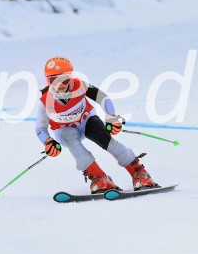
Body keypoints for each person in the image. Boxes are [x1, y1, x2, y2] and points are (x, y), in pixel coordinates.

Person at [35, 56, 159, 193]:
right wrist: (47, 141)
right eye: (53, 80)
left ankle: (139, 173)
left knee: (103, 135)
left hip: (86, 120)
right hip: (64, 129)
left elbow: (103, 97)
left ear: (71, 77)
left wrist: (111, 117)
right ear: (47, 80)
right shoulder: (45, 100)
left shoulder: (80, 85)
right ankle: (99, 178)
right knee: (70, 139)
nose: (60, 85)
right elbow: (40, 127)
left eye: (64, 79)